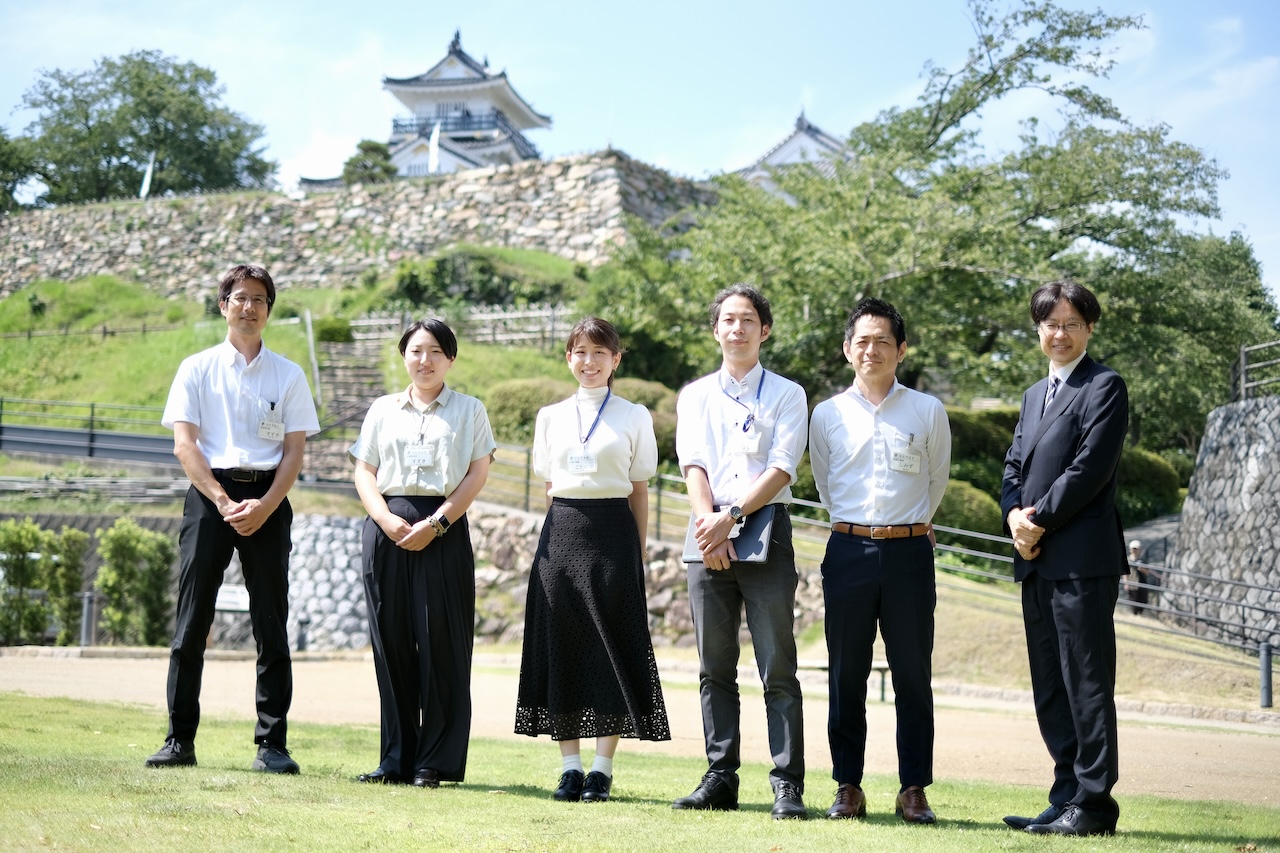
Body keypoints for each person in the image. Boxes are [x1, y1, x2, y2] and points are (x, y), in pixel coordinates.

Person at [146, 263, 320, 773]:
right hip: (209, 497)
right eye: (240, 297)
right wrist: (223, 502)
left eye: (259, 299)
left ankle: (273, 745)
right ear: (223, 305)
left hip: (269, 496)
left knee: (271, 621)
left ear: (269, 310)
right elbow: (185, 445)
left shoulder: (288, 374)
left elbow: (294, 452)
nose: (249, 307)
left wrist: (265, 505)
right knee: (192, 619)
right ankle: (179, 739)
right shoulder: (196, 368)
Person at [514, 317, 671, 803]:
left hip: (614, 538)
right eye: (580, 352)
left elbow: (639, 489)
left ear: (615, 359)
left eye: (600, 352)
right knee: (561, 646)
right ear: (568, 358)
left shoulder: (634, 415)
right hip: (561, 536)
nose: (589, 361)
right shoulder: (550, 416)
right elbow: (549, 486)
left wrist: (636, 553)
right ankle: (569, 768)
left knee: (611, 649)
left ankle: (602, 769)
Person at [808, 298, 951, 824]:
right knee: (846, 674)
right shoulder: (827, 414)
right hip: (848, 550)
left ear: (901, 350)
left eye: (883, 341)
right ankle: (848, 785)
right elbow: (825, 483)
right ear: (848, 349)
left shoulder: (927, 410)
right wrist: (860, 527)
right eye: (862, 341)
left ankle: (913, 788)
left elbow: (937, 479)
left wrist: (908, 525)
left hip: (910, 552)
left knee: (913, 674)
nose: (872, 350)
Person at [672, 284, 809, 819]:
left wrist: (730, 518)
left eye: (748, 319)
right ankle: (720, 776)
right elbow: (692, 464)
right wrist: (710, 525)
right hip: (706, 530)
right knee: (714, 666)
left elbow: (782, 467)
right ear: (716, 330)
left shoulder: (787, 394)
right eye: (728, 319)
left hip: (765, 529)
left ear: (764, 330)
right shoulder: (694, 395)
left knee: (778, 666)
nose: (737, 328)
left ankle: (787, 783)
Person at [1000, 281, 1129, 837]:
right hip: (1035, 559)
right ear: (1038, 329)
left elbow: (1089, 469)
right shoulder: (1034, 394)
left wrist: (1037, 522)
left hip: (1081, 561)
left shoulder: (1104, 386)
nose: (1060, 333)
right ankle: (1066, 795)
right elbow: (1013, 467)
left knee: (1087, 682)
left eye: (1072, 323)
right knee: (1050, 684)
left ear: (1089, 328)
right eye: (1051, 324)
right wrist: (1013, 518)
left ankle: (1094, 804)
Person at [349, 318, 495, 788]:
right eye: (415, 350)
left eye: (435, 351)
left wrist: (437, 524)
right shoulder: (382, 408)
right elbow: (364, 471)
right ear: (403, 356)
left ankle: (433, 761)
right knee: (390, 643)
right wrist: (384, 519)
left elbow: (477, 474)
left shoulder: (470, 409)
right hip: (387, 529)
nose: (424, 360)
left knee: (441, 643)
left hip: (443, 529)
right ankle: (395, 758)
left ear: (450, 358)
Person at [1124, 540, 1149, 614]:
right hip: (1132, 584)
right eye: (1133, 549)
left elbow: (1147, 572)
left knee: (1143, 601)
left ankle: (1140, 614)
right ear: (1130, 549)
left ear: (1139, 550)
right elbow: (1125, 573)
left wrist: (1142, 569)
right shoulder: (1127, 560)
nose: (1135, 551)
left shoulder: (1143, 560)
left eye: (1136, 549)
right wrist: (1126, 583)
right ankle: (1134, 615)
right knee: (1133, 602)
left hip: (1142, 583)